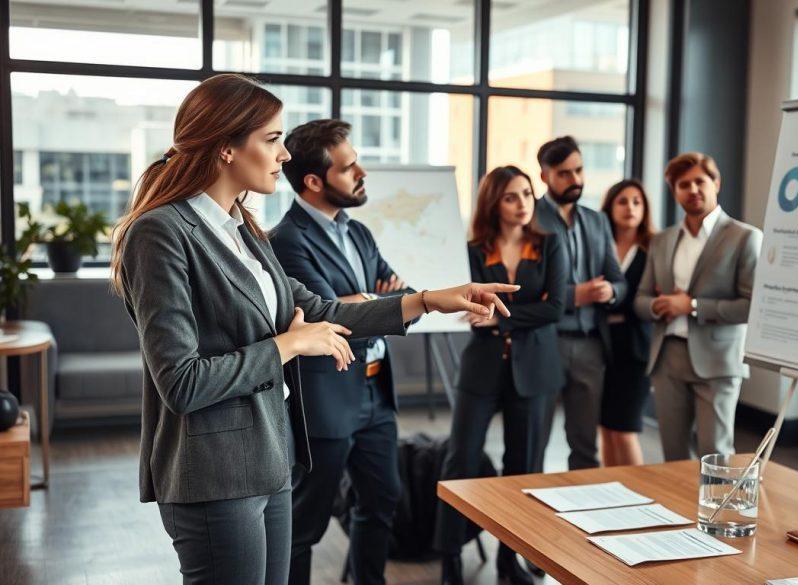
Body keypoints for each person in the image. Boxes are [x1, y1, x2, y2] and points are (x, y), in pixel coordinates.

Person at [109, 73, 517, 585]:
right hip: (213, 471)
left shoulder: (243, 228)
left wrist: (427, 301)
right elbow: (182, 383)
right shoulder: (160, 233)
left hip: (272, 457)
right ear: (226, 148)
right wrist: (288, 343)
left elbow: (324, 310)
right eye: (272, 140)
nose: (283, 156)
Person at [269, 119, 411, 585]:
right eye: (349, 168)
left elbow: (401, 295)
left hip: (375, 390)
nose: (362, 173)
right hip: (327, 398)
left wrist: (368, 302)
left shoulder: (360, 233)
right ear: (313, 181)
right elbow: (328, 319)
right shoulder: (286, 241)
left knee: (382, 499)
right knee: (305, 523)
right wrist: (375, 301)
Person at [433, 166, 567, 585]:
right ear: (494, 202)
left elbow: (556, 307)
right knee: (460, 461)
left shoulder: (550, 244)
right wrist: (498, 317)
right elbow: (466, 303)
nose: (523, 203)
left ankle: (511, 560)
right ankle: (450, 557)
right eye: (512, 196)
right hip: (481, 371)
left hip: (535, 372)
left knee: (523, 468)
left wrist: (497, 321)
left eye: (527, 193)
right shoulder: (472, 249)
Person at [634, 152, 762, 460]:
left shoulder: (745, 237)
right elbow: (640, 301)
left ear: (715, 183)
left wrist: (691, 305)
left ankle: (718, 510)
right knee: (673, 456)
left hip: (717, 361)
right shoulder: (662, 240)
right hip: (667, 359)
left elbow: (752, 307)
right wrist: (659, 306)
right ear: (674, 191)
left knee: (715, 454)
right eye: (683, 184)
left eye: (699, 182)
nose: (692, 190)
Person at [533, 136, 627, 472]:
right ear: (545, 176)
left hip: (590, 345)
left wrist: (610, 293)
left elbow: (619, 281)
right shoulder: (530, 220)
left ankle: (582, 518)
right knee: (534, 441)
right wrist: (577, 295)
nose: (576, 180)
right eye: (564, 173)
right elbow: (524, 289)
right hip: (544, 341)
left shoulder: (597, 220)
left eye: (579, 170)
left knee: (586, 446)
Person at [597, 179, 654, 467]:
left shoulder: (652, 249)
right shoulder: (599, 246)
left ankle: (637, 497)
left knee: (625, 430)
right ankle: (612, 488)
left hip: (636, 350)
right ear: (610, 207)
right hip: (601, 347)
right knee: (605, 428)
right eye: (622, 201)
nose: (630, 208)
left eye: (637, 202)